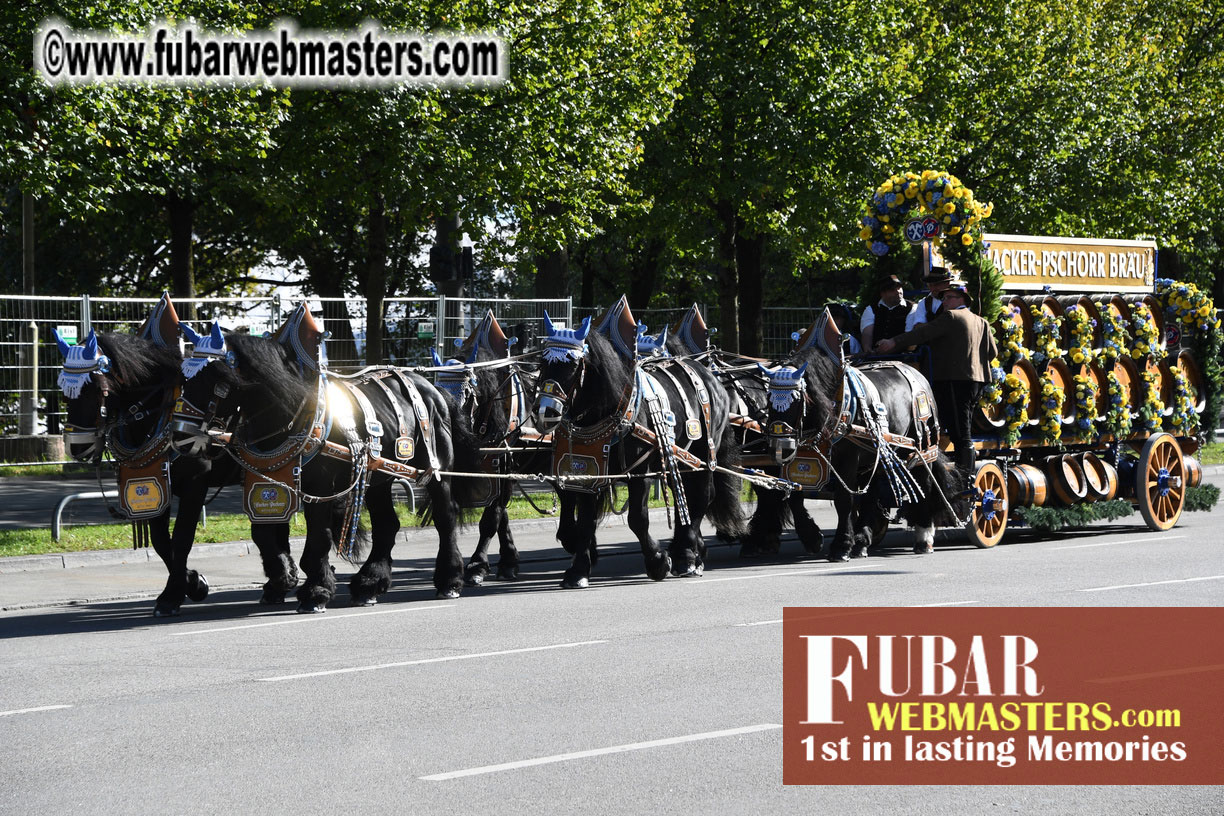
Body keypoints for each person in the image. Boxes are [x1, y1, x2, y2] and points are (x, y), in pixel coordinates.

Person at [874, 283, 997, 490]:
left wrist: (893, 342)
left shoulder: (951, 317)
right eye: (944, 298)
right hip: (975, 382)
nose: (944, 302)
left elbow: (922, 334)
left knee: (960, 434)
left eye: (949, 298)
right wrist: (974, 365)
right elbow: (992, 352)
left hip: (953, 380)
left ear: (962, 300)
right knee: (962, 428)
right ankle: (962, 479)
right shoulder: (981, 321)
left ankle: (963, 482)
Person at [860, 275, 910, 351]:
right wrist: (868, 350)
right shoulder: (871, 310)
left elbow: (911, 335)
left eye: (899, 287)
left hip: (905, 355)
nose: (898, 292)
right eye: (892, 290)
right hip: (877, 355)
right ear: (882, 293)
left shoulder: (912, 308)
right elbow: (867, 334)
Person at [905, 267, 953, 332]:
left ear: (947, 284)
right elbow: (918, 327)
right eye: (930, 285)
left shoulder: (956, 301)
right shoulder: (923, 303)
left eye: (936, 284)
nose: (933, 288)